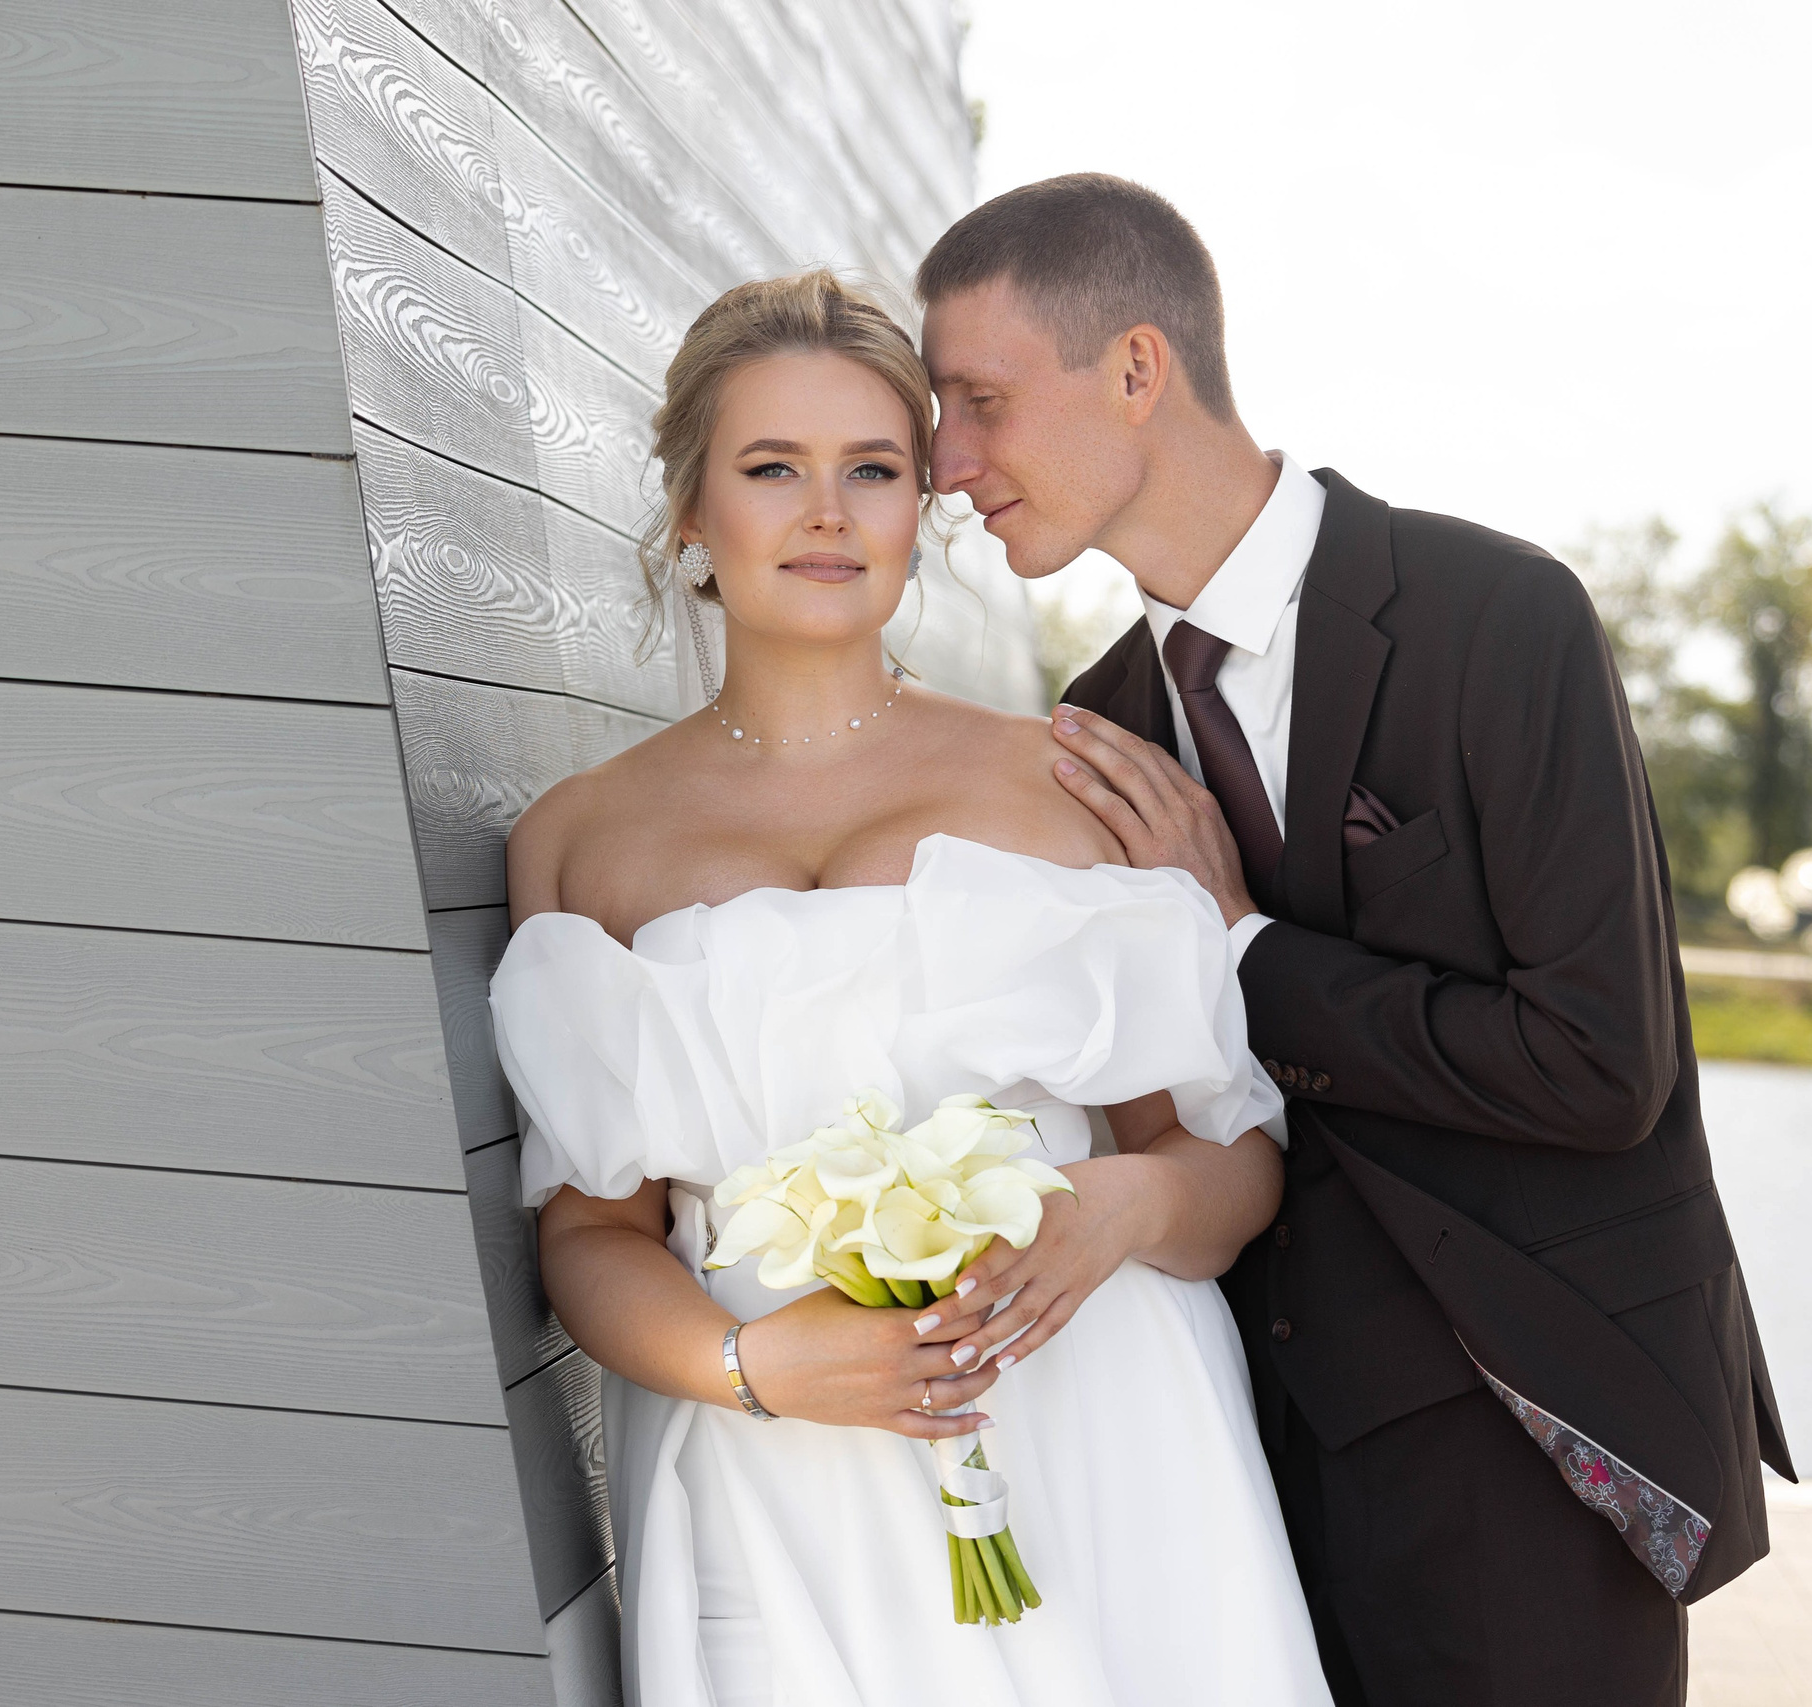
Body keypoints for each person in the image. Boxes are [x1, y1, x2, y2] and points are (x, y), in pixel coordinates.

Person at [916, 174, 1796, 1707]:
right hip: (1247, 1458)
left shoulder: (1500, 620)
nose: (947, 463)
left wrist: (1247, 946)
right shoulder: (1106, 728)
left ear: (1138, 367)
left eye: (979, 401)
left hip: (1528, 1431)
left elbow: (1601, 1065)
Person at [492, 270, 1334, 1707]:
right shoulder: (580, 840)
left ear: (918, 505)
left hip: (1095, 1433)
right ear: (692, 506)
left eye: (872, 469)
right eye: (773, 469)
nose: (828, 514)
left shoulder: (1061, 780)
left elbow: (1227, 1160)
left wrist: (1122, 1208)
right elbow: (589, 1233)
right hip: (777, 1470)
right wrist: (752, 1365)